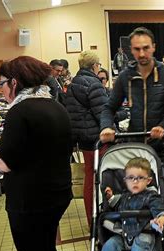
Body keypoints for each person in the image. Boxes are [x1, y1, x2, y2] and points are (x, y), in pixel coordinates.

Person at [0, 56, 72, 251]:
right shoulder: (54, 105)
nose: (0, 90)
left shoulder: (21, 111)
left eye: (2, 84)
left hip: (31, 202)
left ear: (15, 82)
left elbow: (4, 163)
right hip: (56, 195)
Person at [100, 27, 164, 183]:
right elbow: (109, 108)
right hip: (135, 145)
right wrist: (106, 126)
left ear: (153, 47)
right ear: (131, 50)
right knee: (136, 192)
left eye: (146, 48)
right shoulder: (125, 77)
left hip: (163, 146)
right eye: (137, 49)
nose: (141, 53)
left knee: (163, 193)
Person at [88, 157, 164, 251]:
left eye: (140, 178)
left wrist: (161, 218)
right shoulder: (125, 196)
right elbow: (115, 204)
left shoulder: (151, 196)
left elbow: (160, 209)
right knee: (110, 245)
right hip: (124, 234)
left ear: (148, 180)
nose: (135, 181)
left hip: (144, 233)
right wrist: (110, 197)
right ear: (125, 180)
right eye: (131, 178)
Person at [63, 50, 108, 227]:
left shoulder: (73, 84)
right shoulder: (94, 84)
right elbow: (103, 113)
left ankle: (92, 219)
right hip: (97, 138)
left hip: (83, 138)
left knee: (89, 177)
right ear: (94, 66)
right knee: (103, 177)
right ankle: (103, 219)